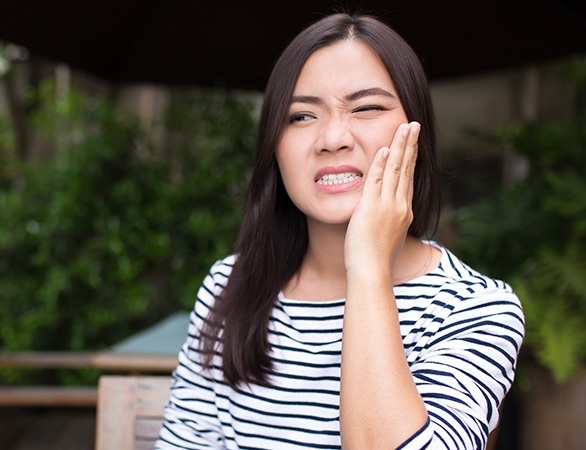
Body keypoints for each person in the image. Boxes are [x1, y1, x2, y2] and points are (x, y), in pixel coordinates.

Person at [155, 11, 524, 450]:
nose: (332, 138)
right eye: (301, 116)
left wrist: (367, 265)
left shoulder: (475, 309)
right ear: (273, 147)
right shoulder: (230, 286)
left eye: (366, 108)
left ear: (417, 133)